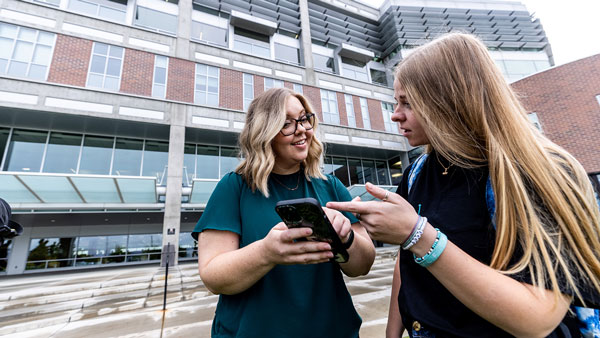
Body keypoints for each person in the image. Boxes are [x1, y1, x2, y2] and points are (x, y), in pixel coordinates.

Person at [327, 33, 600, 338]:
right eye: (396, 102)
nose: (395, 115)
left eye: (408, 103)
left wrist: (418, 234)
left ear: (450, 100)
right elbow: (407, 265)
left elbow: (539, 319)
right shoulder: (417, 171)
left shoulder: (535, 172)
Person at [193, 87, 376, 337]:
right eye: (287, 123)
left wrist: (347, 239)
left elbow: (362, 266)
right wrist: (266, 253)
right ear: (264, 131)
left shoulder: (330, 185)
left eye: (303, 118)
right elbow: (213, 277)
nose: (301, 129)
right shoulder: (234, 187)